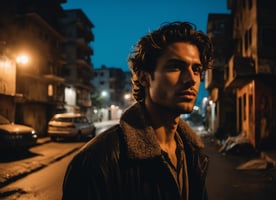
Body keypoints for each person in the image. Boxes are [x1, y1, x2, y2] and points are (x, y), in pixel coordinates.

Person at [62, 21, 213, 200]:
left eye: (196, 69)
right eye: (175, 67)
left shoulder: (192, 152)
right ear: (144, 77)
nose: (191, 79)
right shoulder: (97, 161)